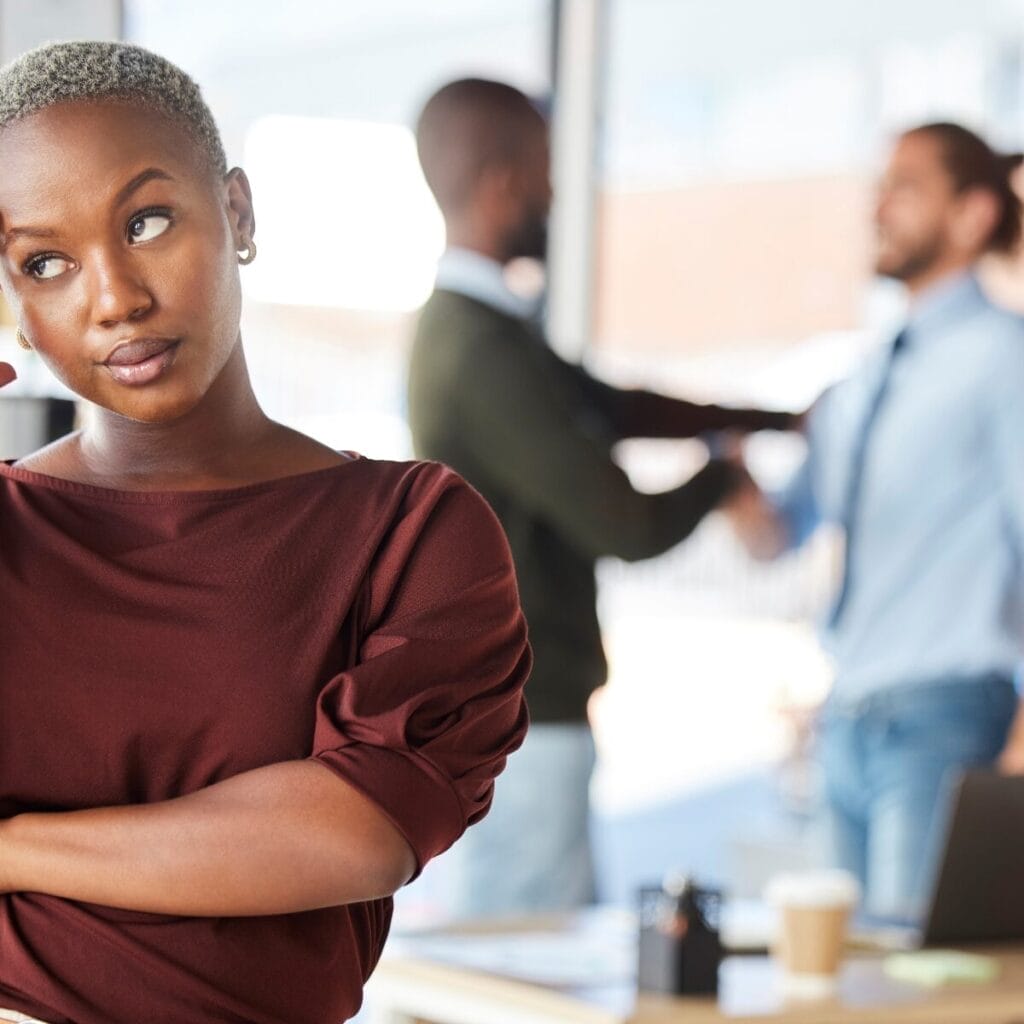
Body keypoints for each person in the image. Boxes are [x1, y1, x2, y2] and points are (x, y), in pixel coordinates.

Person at [0, 42, 529, 1024]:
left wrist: (10, 848)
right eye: (46, 262)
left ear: (237, 215)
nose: (114, 296)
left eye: (147, 221)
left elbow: (352, 833)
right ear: (17, 306)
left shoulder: (412, 532)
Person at [407, 78, 797, 917]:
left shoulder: (486, 333)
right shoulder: (479, 351)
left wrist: (776, 417)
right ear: (505, 181)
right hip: (523, 721)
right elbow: (625, 523)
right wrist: (723, 476)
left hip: (524, 715)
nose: (554, 195)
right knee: (524, 976)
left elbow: (615, 406)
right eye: (546, 172)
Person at [726, 122, 1024, 922]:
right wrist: (724, 474)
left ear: (973, 214)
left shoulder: (1007, 359)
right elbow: (778, 538)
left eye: (907, 186)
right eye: (880, 184)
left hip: (950, 716)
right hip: (847, 718)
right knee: (846, 987)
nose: (879, 205)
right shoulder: (859, 379)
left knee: (918, 987)